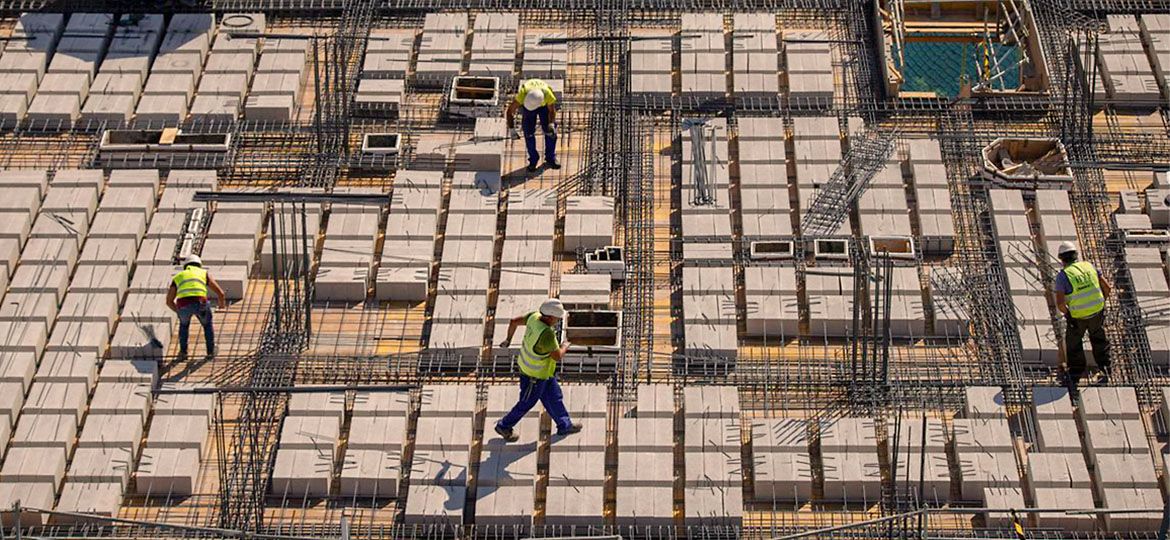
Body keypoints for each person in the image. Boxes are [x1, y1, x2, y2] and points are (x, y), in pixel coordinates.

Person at [493, 298, 582, 442]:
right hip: (532, 375)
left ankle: (564, 425)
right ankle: (504, 425)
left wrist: (508, 340)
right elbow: (557, 356)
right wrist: (565, 345)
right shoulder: (547, 335)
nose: (558, 321)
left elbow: (513, 322)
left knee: (554, 397)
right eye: (557, 319)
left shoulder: (534, 317)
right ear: (550, 317)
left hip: (543, 372)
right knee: (527, 402)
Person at [1053, 241, 1112, 385]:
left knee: (1074, 344)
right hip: (1097, 313)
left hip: (1078, 317)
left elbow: (1060, 303)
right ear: (1076, 255)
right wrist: (1099, 303)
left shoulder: (1063, 276)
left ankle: (1075, 374)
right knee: (1099, 340)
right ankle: (1106, 370)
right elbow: (1107, 288)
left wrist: (1068, 315)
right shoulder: (1089, 266)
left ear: (1061, 259)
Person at [166, 255, 228, 359]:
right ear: (199, 265)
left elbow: (169, 301)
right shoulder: (203, 273)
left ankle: (183, 353)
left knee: (184, 326)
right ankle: (210, 352)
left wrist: (179, 312)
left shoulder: (178, 277)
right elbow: (221, 293)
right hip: (200, 303)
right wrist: (222, 306)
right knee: (207, 325)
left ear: (185, 266)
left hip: (183, 305)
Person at [505, 78, 561, 173]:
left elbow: (552, 110)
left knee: (551, 133)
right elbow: (510, 111)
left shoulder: (547, 94)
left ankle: (550, 157)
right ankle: (533, 159)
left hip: (543, 107)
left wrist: (551, 123)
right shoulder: (523, 94)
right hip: (528, 109)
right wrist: (511, 129)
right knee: (528, 133)